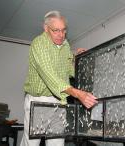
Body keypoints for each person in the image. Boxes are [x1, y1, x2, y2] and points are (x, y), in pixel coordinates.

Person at [20, 10, 98, 146]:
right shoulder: (39, 44)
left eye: (63, 30)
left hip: (59, 101)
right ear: (46, 28)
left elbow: (70, 71)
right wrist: (77, 93)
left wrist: (79, 60)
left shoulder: (66, 45)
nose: (61, 35)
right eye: (56, 30)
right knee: (31, 143)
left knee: (57, 142)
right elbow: (50, 76)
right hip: (38, 100)